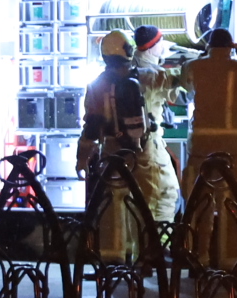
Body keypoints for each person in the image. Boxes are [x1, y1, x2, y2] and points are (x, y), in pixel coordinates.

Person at [178, 28, 237, 263]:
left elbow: (184, 86)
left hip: (199, 150)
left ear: (209, 46)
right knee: (230, 209)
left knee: (199, 208)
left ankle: (198, 260)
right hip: (230, 151)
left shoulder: (194, 67)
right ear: (230, 47)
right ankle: (229, 264)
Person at [78, 30, 148, 259]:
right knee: (134, 205)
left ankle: (113, 256)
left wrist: (82, 158)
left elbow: (91, 126)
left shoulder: (98, 85)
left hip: (110, 151)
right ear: (128, 51)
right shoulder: (136, 81)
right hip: (137, 153)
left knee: (112, 205)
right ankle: (133, 256)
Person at [126, 24, 194, 226]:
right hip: (149, 149)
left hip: (129, 148)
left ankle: (142, 250)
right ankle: (158, 248)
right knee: (165, 195)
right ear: (153, 47)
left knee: (140, 200)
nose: (163, 47)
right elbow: (184, 84)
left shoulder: (130, 69)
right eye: (160, 43)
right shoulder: (153, 75)